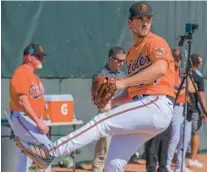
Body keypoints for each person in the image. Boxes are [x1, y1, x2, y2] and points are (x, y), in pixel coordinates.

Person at [14, 2, 175, 171]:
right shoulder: (132, 53)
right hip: (143, 107)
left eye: (148, 19)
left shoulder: (155, 42)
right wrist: (112, 102)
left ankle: (50, 152)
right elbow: (131, 94)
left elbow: (160, 68)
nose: (145, 22)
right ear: (130, 23)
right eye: (140, 18)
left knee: (102, 122)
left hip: (157, 104)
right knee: (113, 163)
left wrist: (121, 82)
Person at [8, 44, 51, 172]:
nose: (41, 60)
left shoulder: (33, 76)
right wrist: (38, 121)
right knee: (47, 149)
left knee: (26, 156)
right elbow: (22, 100)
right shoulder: (22, 72)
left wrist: (42, 118)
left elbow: (35, 101)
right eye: (38, 57)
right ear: (29, 57)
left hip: (29, 119)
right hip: (22, 117)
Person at [91, 46, 126, 172]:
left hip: (121, 115)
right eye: (118, 60)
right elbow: (95, 98)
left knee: (117, 153)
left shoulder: (123, 75)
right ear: (111, 59)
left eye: (123, 61)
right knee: (102, 152)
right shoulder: (101, 74)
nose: (121, 63)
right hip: (106, 114)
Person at [166, 49, 196, 172]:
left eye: (179, 59)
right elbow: (171, 92)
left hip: (185, 108)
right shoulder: (169, 72)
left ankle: (180, 165)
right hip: (175, 107)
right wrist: (183, 90)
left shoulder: (182, 72)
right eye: (176, 59)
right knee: (175, 138)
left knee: (185, 138)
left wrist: (182, 90)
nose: (178, 61)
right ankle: (166, 166)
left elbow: (193, 88)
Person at [187, 53, 207, 168]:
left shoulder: (184, 75)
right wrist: (205, 111)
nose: (202, 64)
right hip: (194, 109)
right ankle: (192, 158)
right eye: (200, 62)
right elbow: (202, 96)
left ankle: (187, 157)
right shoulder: (198, 78)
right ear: (196, 64)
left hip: (183, 108)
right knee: (196, 133)